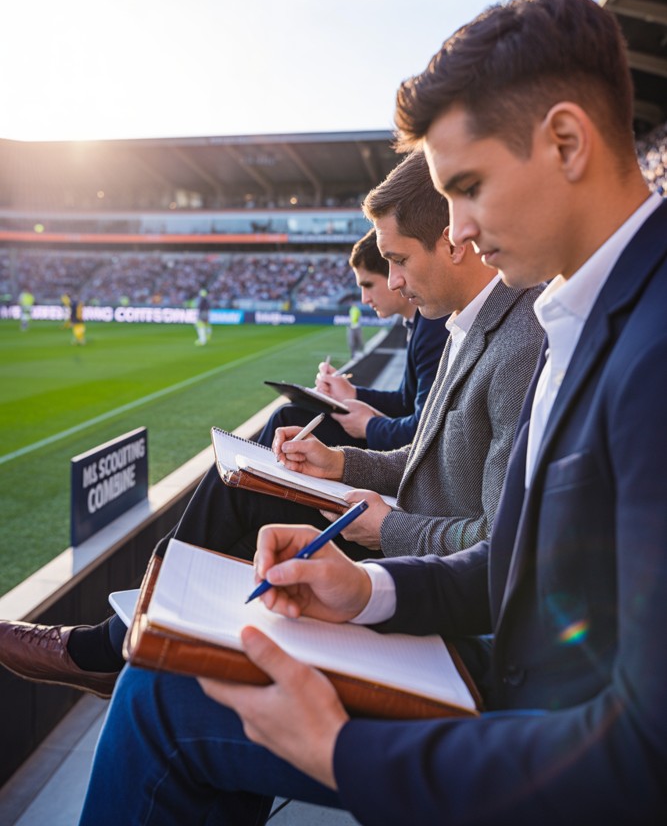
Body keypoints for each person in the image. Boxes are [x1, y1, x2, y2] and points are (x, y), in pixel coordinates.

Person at [76, 0, 666, 824]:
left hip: (530, 731)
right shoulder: (584, 313)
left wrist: (344, 751)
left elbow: (643, 757)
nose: (456, 231)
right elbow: (525, 564)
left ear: (565, 140)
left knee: (165, 703)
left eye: (466, 186)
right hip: (511, 695)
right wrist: (369, 590)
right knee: (187, 679)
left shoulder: (648, 345)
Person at [0, 150, 543, 701]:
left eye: (397, 260)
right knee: (247, 483)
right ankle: (129, 639)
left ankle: (118, 650)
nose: (394, 281)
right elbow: (431, 454)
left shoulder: (519, 340)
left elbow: (500, 545)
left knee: (158, 696)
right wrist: (340, 462)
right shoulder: (465, 323)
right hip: (416, 554)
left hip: (430, 588)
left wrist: (385, 530)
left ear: (452, 241)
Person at [257, 227, 449, 451]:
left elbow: (423, 433)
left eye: (367, 285)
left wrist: (369, 425)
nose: (364, 298)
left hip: (406, 459)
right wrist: (352, 393)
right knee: (289, 416)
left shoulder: (433, 325)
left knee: (288, 417)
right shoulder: (420, 323)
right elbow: (406, 402)